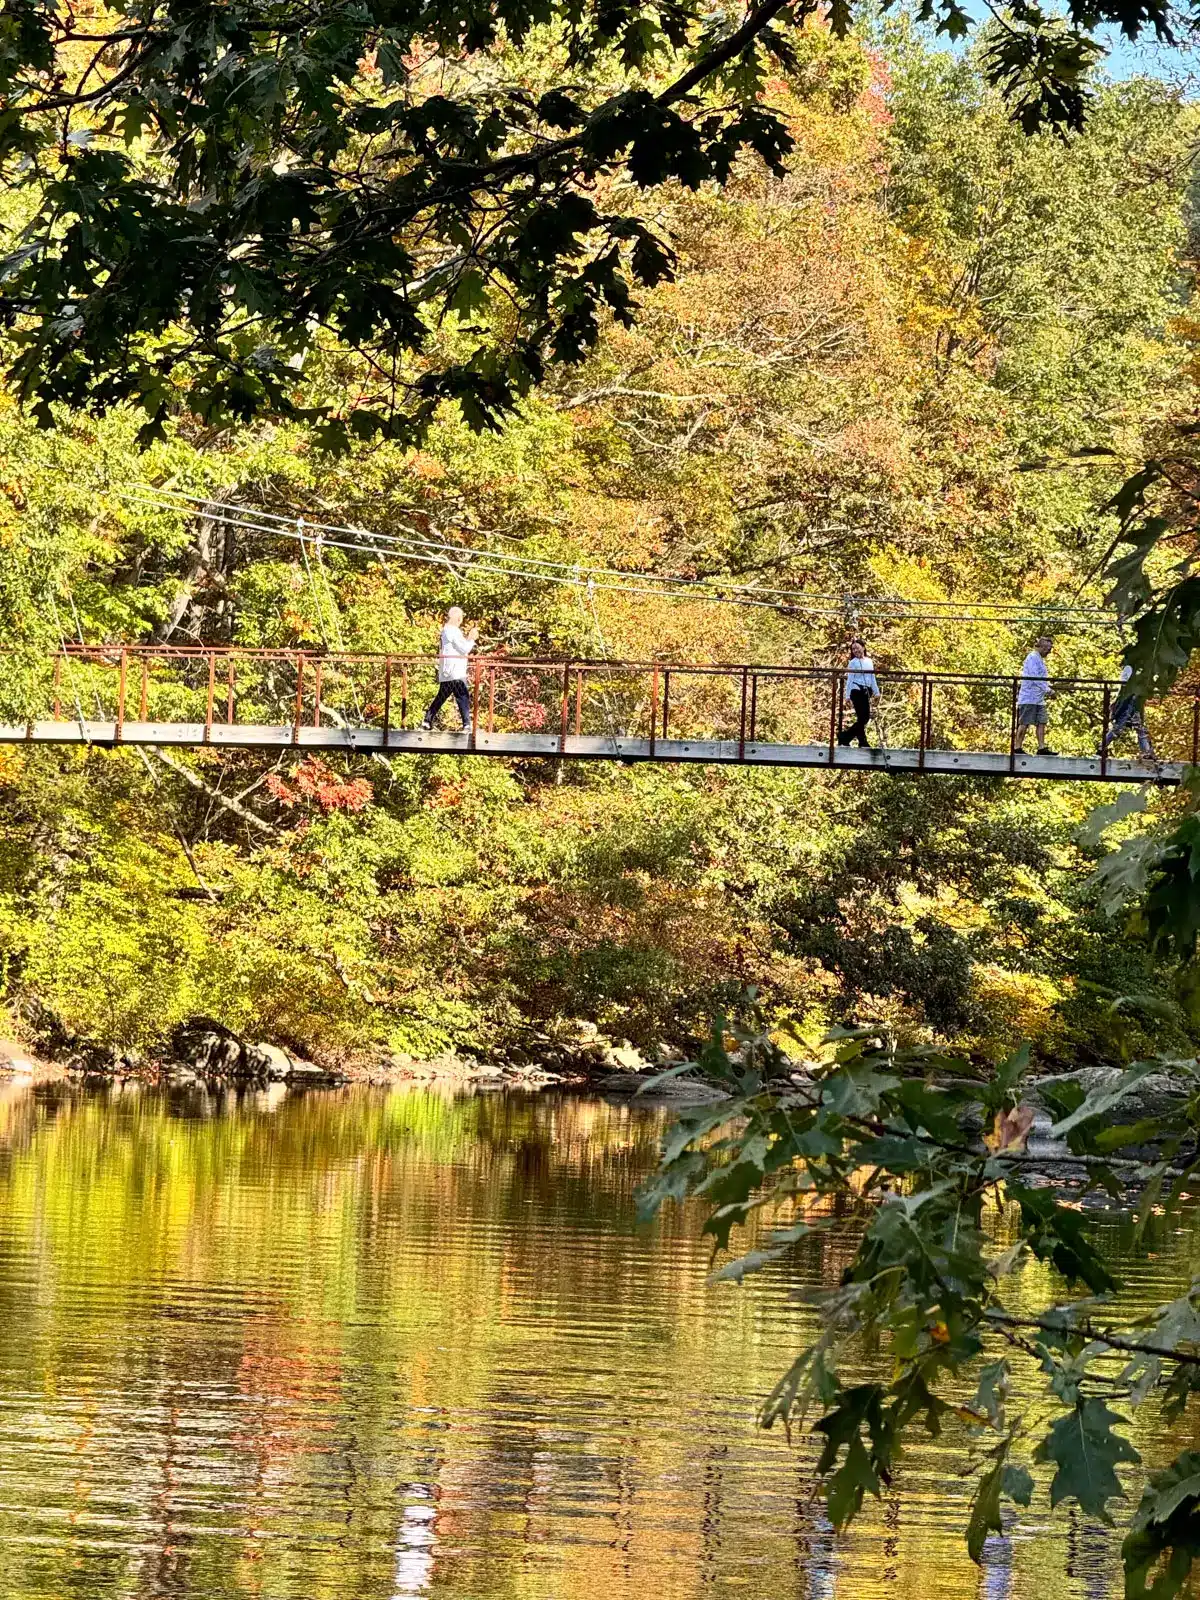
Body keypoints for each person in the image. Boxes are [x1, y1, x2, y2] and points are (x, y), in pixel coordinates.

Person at [420, 606, 478, 730]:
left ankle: (427, 720)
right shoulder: (453, 631)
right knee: (462, 696)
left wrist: (467, 639)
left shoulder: (446, 631)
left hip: (447, 670)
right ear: (458, 618)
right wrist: (472, 638)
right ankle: (466, 725)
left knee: (442, 696)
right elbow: (464, 649)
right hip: (455, 671)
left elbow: (459, 646)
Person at [1100, 663, 1154, 760]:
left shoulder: (1138, 667)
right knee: (1120, 727)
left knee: (1139, 727)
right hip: (1129, 701)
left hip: (1134, 701)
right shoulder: (1131, 667)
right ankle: (1101, 747)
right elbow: (1125, 684)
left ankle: (1146, 752)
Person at [1013, 635, 1054, 755]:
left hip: (1039, 698)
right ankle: (1017, 747)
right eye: (1047, 649)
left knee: (1042, 721)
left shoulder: (1040, 659)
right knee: (1024, 722)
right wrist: (1048, 690)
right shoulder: (1032, 658)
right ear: (1041, 647)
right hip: (1029, 697)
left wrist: (1047, 688)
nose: (1048, 652)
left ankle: (1041, 747)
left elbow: (1041, 678)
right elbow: (1034, 677)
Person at [837, 637, 880, 748]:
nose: (855, 651)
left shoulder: (869, 661)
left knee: (863, 718)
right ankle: (861, 741)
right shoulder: (853, 663)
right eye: (853, 649)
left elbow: (872, 677)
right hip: (856, 691)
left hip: (866, 691)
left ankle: (845, 737)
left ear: (863, 647)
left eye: (857, 648)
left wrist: (876, 692)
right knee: (863, 718)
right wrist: (847, 696)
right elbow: (850, 679)